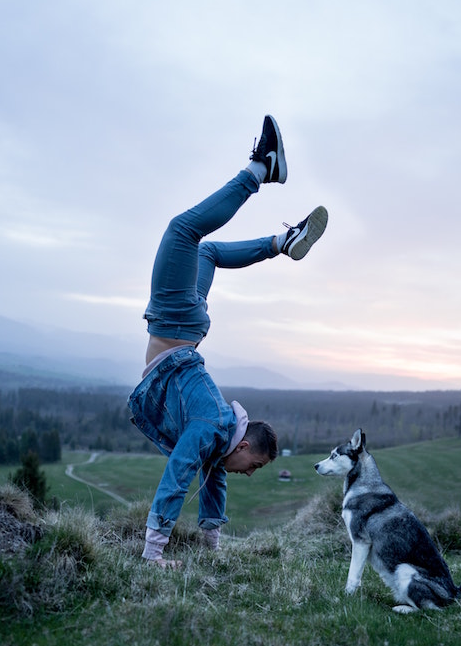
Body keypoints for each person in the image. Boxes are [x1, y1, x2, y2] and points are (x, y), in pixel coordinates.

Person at [128, 115, 328, 567]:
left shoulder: (220, 440)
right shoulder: (213, 428)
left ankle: (283, 240)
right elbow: (180, 473)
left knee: (204, 251)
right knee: (184, 231)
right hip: (177, 324)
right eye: (254, 466)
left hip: (188, 331)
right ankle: (261, 167)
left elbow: (209, 478)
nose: (250, 474)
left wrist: (212, 546)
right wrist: (153, 554)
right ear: (242, 446)